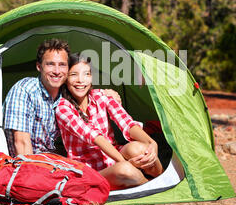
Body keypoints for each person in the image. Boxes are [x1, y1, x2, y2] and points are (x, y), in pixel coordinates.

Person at [56, 53, 163, 190]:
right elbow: (94, 137)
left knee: (141, 149)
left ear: (91, 77)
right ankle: (151, 188)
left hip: (111, 157)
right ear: (65, 79)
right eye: (74, 75)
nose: (80, 80)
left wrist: (151, 143)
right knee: (125, 170)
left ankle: (162, 178)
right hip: (88, 171)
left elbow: (126, 122)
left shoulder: (101, 96)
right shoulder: (63, 108)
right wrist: (124, 162)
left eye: (86, 74)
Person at [3, 38, 121, 157]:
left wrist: (108, 94)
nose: (57, 71)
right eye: (50, 64)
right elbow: (21, 144)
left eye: (62, 65)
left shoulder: (65, 96)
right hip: (28, 164)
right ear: (39, 66)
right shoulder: (25, 90)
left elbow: (85, 93)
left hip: (53, 162)